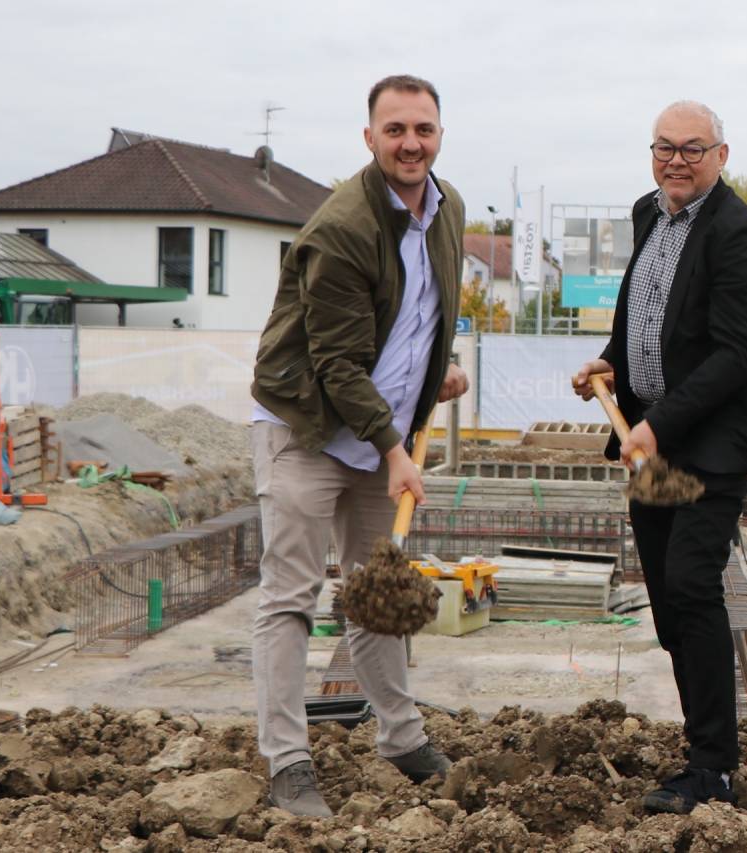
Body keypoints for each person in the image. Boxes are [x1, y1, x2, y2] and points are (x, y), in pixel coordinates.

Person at [247, 74, 469, 816]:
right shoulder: (343, 226)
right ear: (369, 138)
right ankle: (288, 762)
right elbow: (337, 361)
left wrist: (436, 373)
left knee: (378, 592)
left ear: (439, 135)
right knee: (291, 598)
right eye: (395, 129)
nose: (411, 143)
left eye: (423, 129)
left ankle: (401, 738)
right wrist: (395, 450)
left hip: (380, 433)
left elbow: (422, 312)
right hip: (306, 427)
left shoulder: (447, 209)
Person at [568, 100, 747, 815]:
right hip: (654, 440)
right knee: (666, 597)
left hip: (709, 445)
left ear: (722, 155)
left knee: (692, 585)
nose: (678, 160)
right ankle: (701, 748)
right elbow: (645, 312)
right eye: (666, 147)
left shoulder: (740, 236)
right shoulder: (648, 213)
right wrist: (612, 362)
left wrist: (657, 425)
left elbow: (737, 355)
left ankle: (714, 767)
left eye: (693, 148)